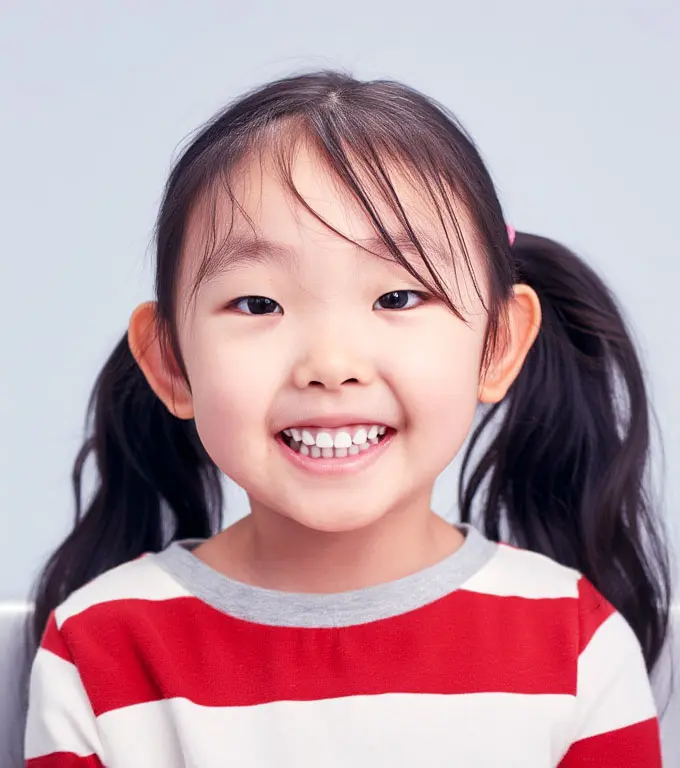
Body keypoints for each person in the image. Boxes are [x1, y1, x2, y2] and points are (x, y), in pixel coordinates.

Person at [24, 71, 671, 767]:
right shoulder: (97, 647)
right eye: (257, 304)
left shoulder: (576, 643)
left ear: (499, 345)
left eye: (397, 296)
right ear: (171, 363)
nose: (331, 364)